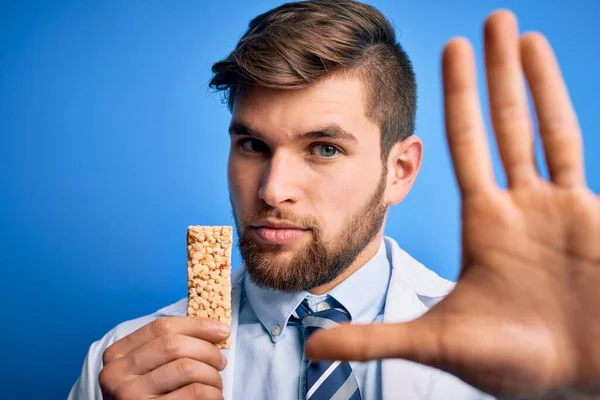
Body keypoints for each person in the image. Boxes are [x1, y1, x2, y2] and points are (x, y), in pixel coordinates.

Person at [68, 1, 600, 399]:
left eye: (324, 149)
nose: (273, 190)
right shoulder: (123, 367)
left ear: (400, 170)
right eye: (253, 145)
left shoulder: (514, 351)